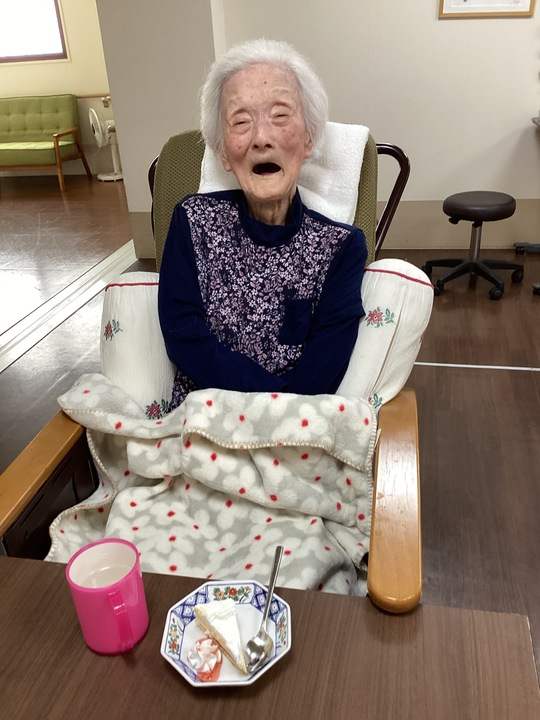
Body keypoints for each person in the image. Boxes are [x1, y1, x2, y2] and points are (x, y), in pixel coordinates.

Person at [158, 39, 368, 411]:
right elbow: (184, 338)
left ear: (308, 138)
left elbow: (324, 366)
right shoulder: (192, 222)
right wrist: (269, 404)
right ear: (222, 152)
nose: (261, 138)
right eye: (241, 121)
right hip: (201, 423)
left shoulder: (341, 247)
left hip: (296, 428)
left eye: (280, 115)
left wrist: (273, 420)